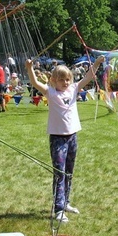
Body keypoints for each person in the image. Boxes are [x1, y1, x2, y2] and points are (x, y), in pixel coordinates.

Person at [25, 55, 105, 223]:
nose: (66, 83)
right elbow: (34, 83)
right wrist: (30, 68)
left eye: (68, 79)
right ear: (53, 80)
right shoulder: (50, 92)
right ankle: (59, 208)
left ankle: (66, 202)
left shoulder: (74, 88)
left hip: (72, 136)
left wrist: (97, 63)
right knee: (59, 174)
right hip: (57, 139)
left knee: (69, 172)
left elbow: (88, 76)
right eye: (62, 80)